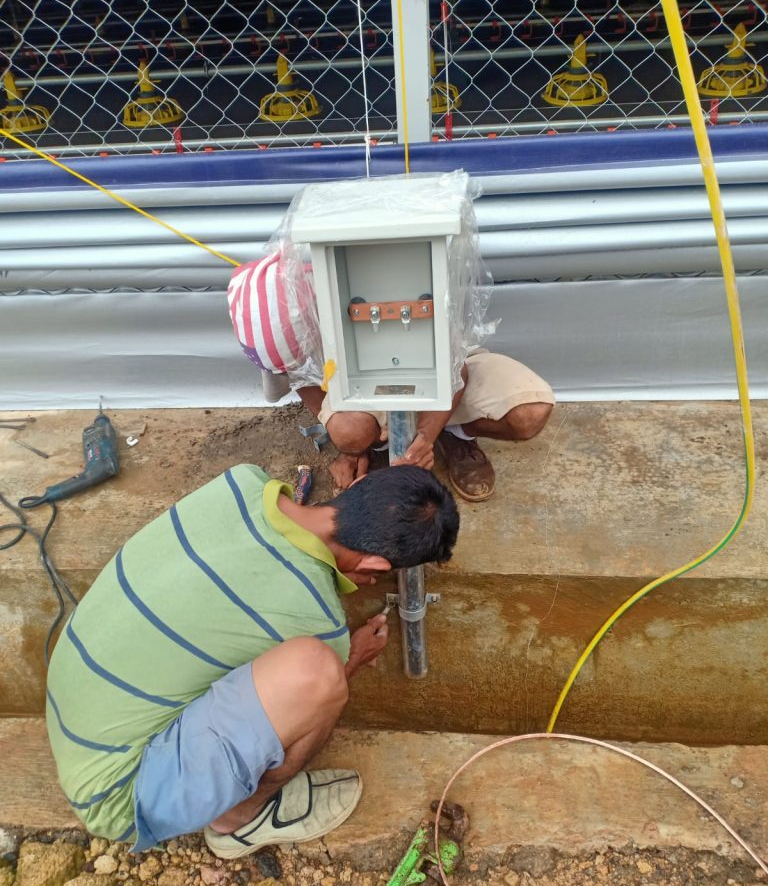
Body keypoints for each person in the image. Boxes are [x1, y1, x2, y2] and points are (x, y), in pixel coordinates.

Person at [46, 464, 458, 859]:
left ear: (357, 486)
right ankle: (238, 818)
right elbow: (310, 694)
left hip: (73, 705)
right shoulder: (317, 619)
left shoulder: (241, 483)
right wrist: (353, 656)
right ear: (375, 566)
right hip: (120, 793)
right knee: (320, 674)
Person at [297, 351, 555, 500]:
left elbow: (456, 368)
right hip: (358, 374)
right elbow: (296, 372)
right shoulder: (288, 293)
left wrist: (427, 435)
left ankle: (455, 432)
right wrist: (350, 446)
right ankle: (378, 446)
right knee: (350, 431)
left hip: (449, 361)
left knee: (529, 414)